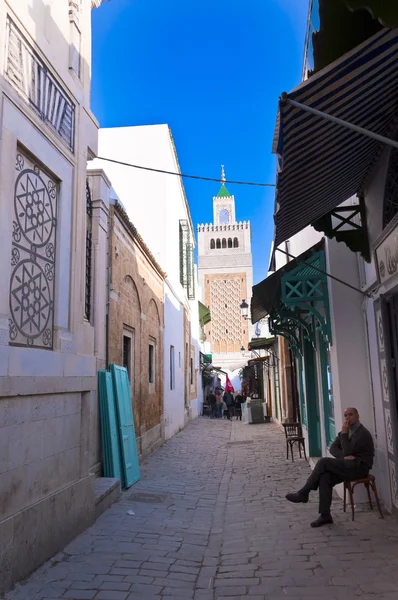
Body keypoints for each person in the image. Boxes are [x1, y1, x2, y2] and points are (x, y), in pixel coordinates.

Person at [285, 407, 374, 528]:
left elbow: (348, 451)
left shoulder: (362, 433)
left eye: (351, 415)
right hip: (347, 466)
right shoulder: (346, 430)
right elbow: (333, 448)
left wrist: (344, 434)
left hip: (359, 468)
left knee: (323, 462)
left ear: (357, 416)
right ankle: (325, 515)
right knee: (325, 477)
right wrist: (344, 457)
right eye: (345, 415)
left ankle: (303, 493)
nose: (347, 418)